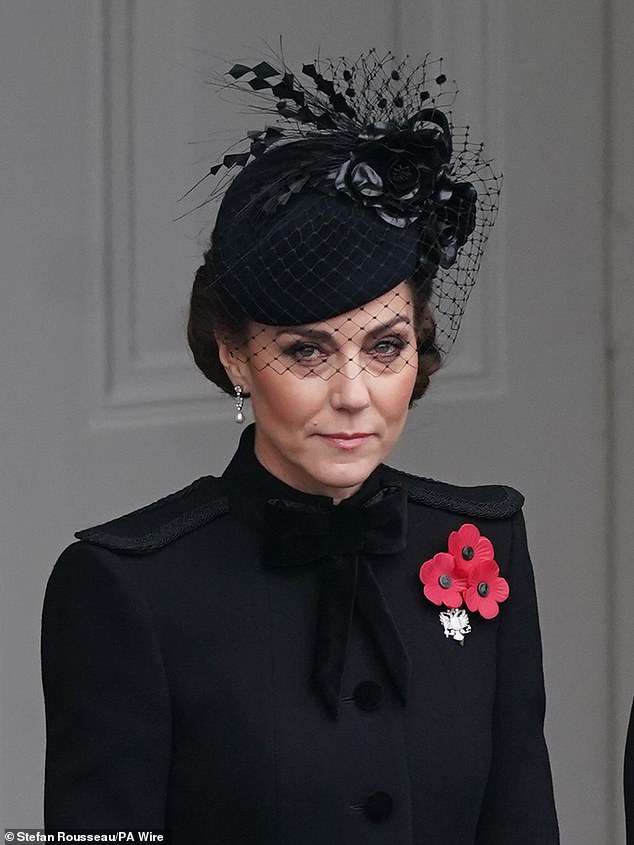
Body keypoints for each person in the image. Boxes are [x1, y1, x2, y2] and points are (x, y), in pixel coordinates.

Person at [41, 50, 560, 844]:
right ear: (234, 352)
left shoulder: (487, 546)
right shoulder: (125, 591)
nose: (353, 393)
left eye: (384, 347)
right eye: (308, 351)